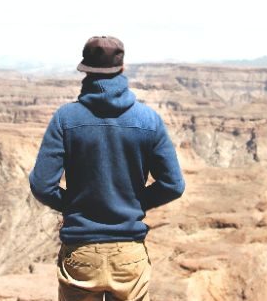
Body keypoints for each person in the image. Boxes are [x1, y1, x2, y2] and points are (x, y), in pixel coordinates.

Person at [29, 36, 185, 301]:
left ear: (84, 70)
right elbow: (173, 185)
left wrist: (75, 205)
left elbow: (42, 185)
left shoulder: (65, 119)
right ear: (122, 69)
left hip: (81, 252)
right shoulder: (149, 120)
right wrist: (134, 202)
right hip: (128, 254)